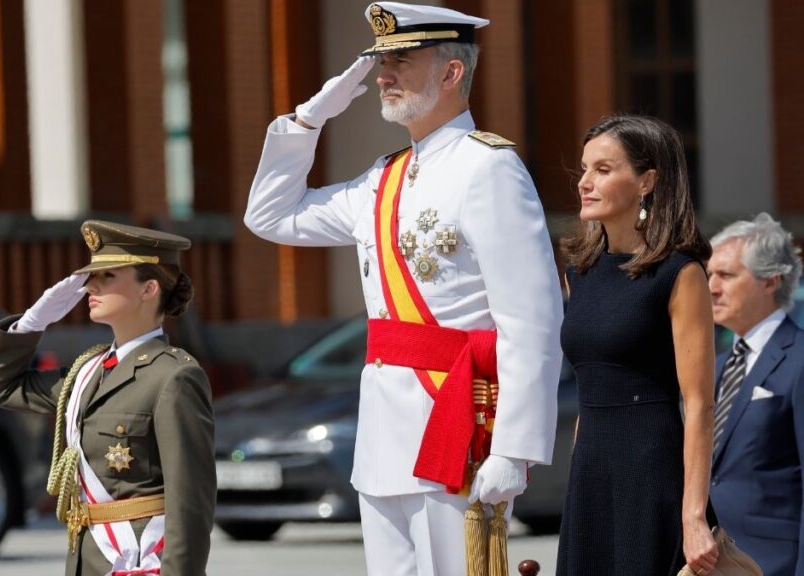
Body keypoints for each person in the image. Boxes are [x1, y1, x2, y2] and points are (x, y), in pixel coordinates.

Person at [244, 3, 563, 574]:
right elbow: (270, 216)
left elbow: (531, 320)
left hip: (454, 420)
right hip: (384, 432)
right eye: (381, 61)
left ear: (451, 73)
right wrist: (308, 121)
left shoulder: (487, 168)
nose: (383, 75)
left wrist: (516, 447)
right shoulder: (382, 178)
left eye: (401, 61)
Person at [0, 220, 215, 576]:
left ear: (149, 288)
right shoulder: (86, 373)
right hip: (89, 560)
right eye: (92, 276)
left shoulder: (174, 378)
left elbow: (190, 504)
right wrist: (31, 324)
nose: (91, 285)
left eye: (109, 276)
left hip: (140, 561)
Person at [556, 115, 718, 574]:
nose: (585, 182)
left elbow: (700, 403)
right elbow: (593, 383)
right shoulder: (580, 274)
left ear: (647, 181)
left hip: (651, 475)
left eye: (603, 170)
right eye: (585, 170)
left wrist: (693, 516)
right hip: (590, 473)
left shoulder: (680, 273)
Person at [707, 213, 804, 575]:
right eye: (710, 274)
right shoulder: (716, 366)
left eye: (727, 275)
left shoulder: (799, 359)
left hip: (776, 562)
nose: (712, 287)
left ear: (770, 281)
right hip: (715, 561)